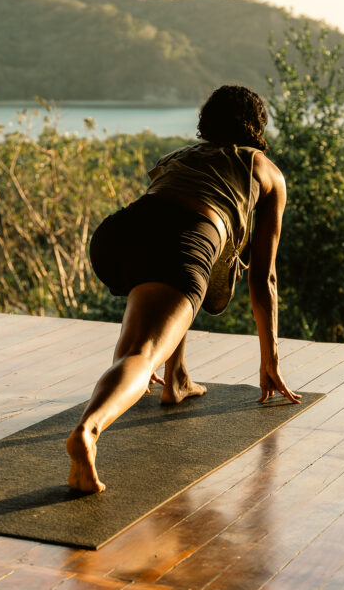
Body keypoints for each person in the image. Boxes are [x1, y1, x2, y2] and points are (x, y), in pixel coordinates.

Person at [66, 84, 301, 494]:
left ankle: (177, 379)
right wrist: (270, 360)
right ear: (257, 125)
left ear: (207, 122)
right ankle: (88, 430)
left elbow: (164, 217)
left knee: (139, 345)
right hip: (183, 239)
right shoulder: (265, 171)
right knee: (141, 356)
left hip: (121, 233)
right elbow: (264, 277)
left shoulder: (181, 156)